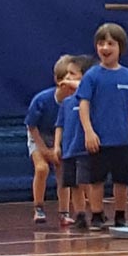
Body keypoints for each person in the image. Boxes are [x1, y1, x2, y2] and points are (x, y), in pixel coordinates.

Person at [78, 23, 128, 230]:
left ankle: (120, 216)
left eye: (110, 43)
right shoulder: (92, 76)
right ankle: (97, 215)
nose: (105, 48)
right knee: (96, 179)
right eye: (101, 43)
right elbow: (83, 104)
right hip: (99, 139)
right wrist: (89, 131)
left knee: (122, 179)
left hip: (122, 138)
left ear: (120, 47)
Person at [25, 54, 79, 225]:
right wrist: (43, 150)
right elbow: (31, 126)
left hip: (59, 137)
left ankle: (64, 212)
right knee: (42, 169)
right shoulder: (42, 100)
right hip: (39, 135)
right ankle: (38, 208)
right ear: (58, 81)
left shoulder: (74, 102)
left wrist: (58, 148)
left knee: (63, 174)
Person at [54, 54, 97, 230]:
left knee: (87, 183)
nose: (68, 78)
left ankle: (96, 212)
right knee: (73, 185)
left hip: (84, 149)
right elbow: (60, 125)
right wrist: (57, 146)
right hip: (69, 150)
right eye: (66, 74)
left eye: (72, 74)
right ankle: (80, 215)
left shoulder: (91, 98)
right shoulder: (66, 102)